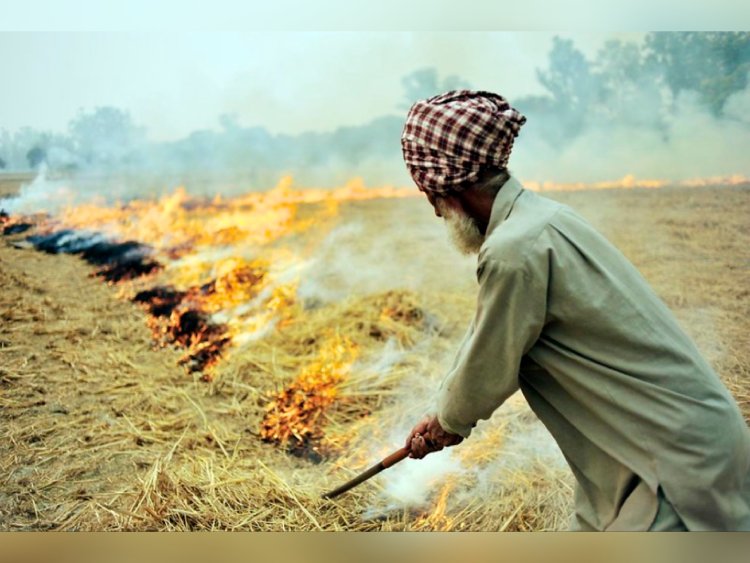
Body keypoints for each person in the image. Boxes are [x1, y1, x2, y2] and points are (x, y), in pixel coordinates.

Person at [401, 90, 750, 531]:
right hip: (674, 445)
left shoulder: (514, 250)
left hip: (669, 464)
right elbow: (487, 337)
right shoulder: (546, 219)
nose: (434, 210)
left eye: (429, 194)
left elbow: (490, 364)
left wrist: (447, 422)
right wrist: (441, 414)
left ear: (450, 187)